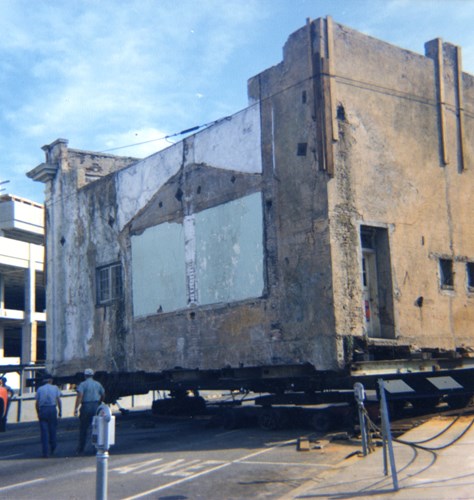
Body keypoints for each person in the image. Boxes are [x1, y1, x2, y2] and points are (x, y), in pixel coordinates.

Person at [74, 368, 105, 454]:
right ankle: (95, 447)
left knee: (83, 428)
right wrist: (100, 402)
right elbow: (103, 394)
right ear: (92, 375)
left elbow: (80, 396)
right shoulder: (97, 384)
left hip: (86, 406)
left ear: (85, 375)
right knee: (96, 428)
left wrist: (76, 408)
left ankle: (81, 448)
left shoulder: (82, 385)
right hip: (96, 406)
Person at [35, 373, 62, 457]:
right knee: (52, 430)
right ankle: (53, 447)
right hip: (52, 409)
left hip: (43, 409)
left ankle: (45, 452)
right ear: (50, 380)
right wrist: (60, 411)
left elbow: (37, 403)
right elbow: (58, 400)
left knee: (44, 432)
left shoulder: (40, 389)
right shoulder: (55, 388)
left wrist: (38, 412)